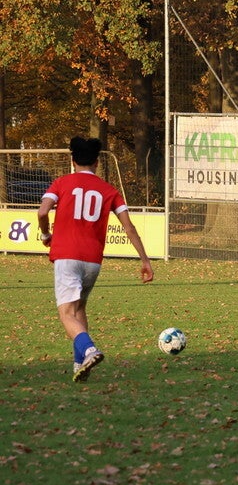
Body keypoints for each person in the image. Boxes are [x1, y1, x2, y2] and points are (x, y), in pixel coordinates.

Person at [38, 136, 154, 382]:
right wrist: (145, 260)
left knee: (67, 313)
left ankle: (89, 350)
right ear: (97, 162)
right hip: (93, 260)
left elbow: (42, 211)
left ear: (73, 160)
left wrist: (46, 234)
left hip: (67, 255)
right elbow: (129, 227)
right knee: (79, 308)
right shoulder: (109, 190)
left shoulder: (61, 183)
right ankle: (79, 365)